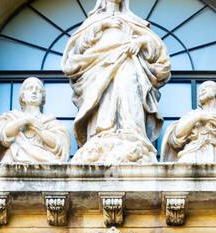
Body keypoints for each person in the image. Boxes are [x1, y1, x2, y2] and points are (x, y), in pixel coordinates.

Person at [61, 0, 172, 164]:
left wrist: (140, 42)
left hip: (129, 62)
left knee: (129, 90)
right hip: (98, 66)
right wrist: (102, 25)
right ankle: (102, 133)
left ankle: (132, 133)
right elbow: (77, 49)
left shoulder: (134, 21)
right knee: (103, 94)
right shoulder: (93, 22)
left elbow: (158, 49)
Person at [0, 77, 69, 164]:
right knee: (9, 154)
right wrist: (26, 120)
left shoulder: (50, 121)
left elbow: (59, 145)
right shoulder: (13, 117)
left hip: (43, 158)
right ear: (23, 97)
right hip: (14, 156)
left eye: (38, 90)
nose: (34, 91)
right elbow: (2, 135)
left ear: (42, 98)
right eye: (30, 88)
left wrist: (40, 130)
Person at [161, 81, 216, 164]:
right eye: (200, 90)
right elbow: (177, 135)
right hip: (192, 153)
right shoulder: (192, 114)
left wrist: (214, 120)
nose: (201, 90)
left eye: (206, 87)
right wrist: (198, 117)